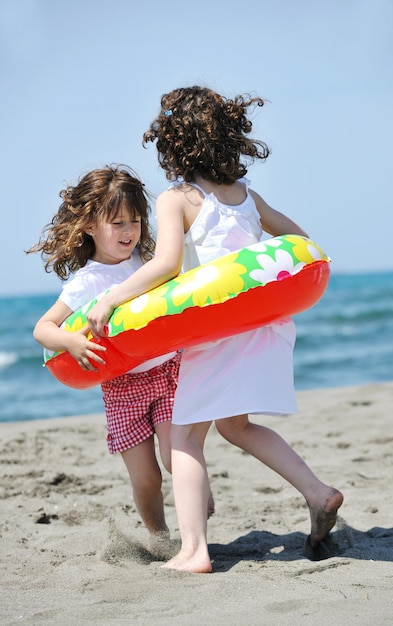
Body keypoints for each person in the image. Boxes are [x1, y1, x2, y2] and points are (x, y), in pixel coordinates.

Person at [86, 87, 344, 573]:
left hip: (214, 334)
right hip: (259, 329)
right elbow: (299, 240)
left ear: (172, 143)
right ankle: (318, 492)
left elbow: (164, 265)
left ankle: (194, 551)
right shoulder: (247, 194)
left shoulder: (178, 198)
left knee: (184, 438)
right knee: (236, 426)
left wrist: (113, 296)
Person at [26, 164, 183, 555]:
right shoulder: (86, 282)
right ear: (90, 228)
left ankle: (196, 505)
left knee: (175, 457)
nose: (129, 230)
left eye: (136, 220)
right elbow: (42, 328)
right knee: (147, 478)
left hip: (166, 371)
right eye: (117, 222)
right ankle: (159, 537)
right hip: (121, 387)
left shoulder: (148, 263)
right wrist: (71, 343)